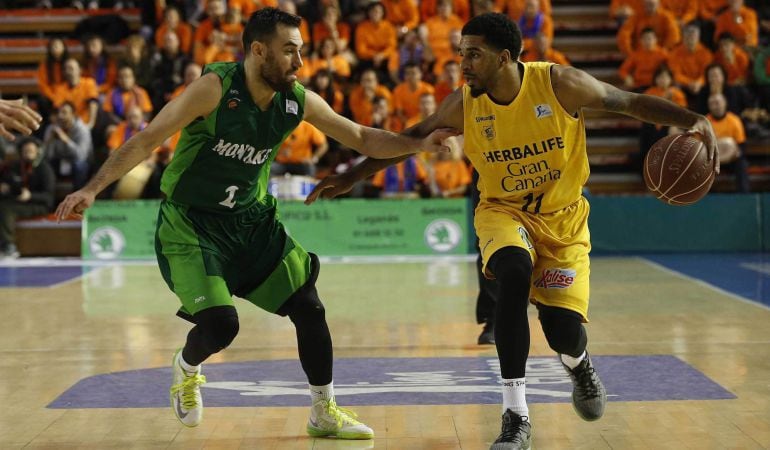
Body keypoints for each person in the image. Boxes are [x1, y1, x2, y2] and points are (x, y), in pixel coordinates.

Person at [305, 13, 718, 449]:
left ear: (504, 58)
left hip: (564, 221)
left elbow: (631, 102)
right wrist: (353, 175)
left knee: (563, 331)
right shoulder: (463, 104)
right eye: (461, 53)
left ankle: (578, 364)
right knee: (514, 275)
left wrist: (693, 119)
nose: (463, 64)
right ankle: (515, 415)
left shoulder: (561, 84)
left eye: (473, 55)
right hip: (502, 212)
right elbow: (409, 139)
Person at [54, 7, 454, 440]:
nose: (300, 63)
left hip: (252, 220)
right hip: (192, 223)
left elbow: (359, 136)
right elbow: (148, 138)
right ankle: (187, 367)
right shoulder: (213, 89)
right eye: (289, 52)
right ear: (258, 51)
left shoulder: (295, 99)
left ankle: (324, 410)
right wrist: (92, 188)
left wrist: (418, 144)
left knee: (309, 306)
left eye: (301, 51)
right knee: (222, 325)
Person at [0, 137, 55, 258]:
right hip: (18, 201)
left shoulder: (45, 169)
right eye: (25, 151)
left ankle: (9, 246)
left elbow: (49, 197)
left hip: (38, 204)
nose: (28, 154)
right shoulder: (15, 166)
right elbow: (9, 183)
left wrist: (30, 196)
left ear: (38, 152)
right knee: (4, 204)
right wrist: (4, 188)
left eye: (31, 151)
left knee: (5, 209)